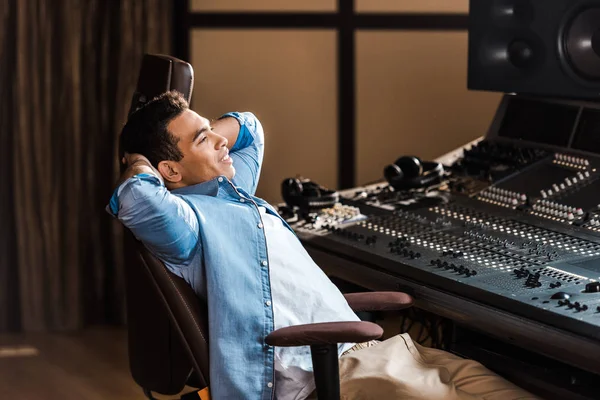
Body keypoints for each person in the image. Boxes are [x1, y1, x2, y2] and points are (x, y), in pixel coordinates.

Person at [108, 91, 540, 400]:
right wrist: (141, 161)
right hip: (334, 379)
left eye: (212, 131)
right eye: (204, 140)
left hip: (386, 353)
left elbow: (250, 128)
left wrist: (200, 133)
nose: (222, 141)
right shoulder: (187, 226)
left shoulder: (231, 192)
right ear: (170, 170)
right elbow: (136, 198)